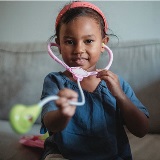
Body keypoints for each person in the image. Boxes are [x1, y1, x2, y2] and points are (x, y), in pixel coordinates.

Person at [40, 1, 149, 160]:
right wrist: (63, 114)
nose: (79, 50)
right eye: (70, 41)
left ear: (103, 44)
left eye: (88, 41)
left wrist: (121, 96)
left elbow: (141, 130)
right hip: (63, 154)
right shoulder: (55, 81)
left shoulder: (116, 84)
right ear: (59, 45)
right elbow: (50, 123)